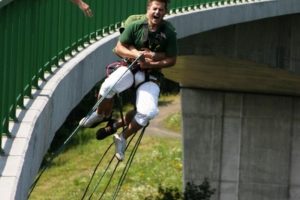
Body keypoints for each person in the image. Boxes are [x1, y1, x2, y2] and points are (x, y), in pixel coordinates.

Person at [80, 0, 177, 161]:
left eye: (161, 10)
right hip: (131, 67)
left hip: (151, 76)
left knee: (148, 112)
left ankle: (122, 138)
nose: (157, 13)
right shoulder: (136, 24)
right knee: (108, 86)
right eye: (154, 9)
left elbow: (172, 59)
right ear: (148, 10)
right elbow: (119, 47)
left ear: (165, 13)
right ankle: (100, 114)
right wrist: (136, 55)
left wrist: (152, 62)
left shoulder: (169, 32)